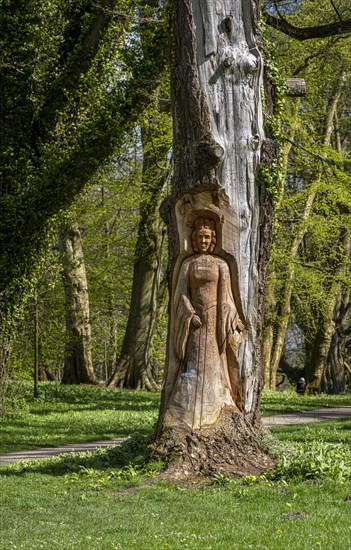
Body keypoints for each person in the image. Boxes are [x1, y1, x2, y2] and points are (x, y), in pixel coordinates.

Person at [167, 217, 244, 430]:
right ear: (194, 238)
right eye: (200, 236)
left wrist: (231, 319)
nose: (203, 240)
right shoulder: (188, 263)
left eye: (207, 237)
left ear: (213, 239)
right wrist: (189, 314)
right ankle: (186, 407)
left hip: (214, 321)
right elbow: (180, 293)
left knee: (214, 362)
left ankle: (217, 401)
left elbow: (227, 297)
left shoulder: (221, 265)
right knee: (192, 361)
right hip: (195, 323)